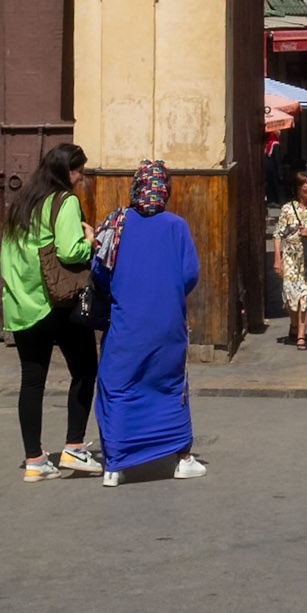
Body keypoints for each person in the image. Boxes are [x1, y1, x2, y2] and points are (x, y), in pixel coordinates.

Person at [91, 160, 204, 485]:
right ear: (164, 191)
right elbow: (189, 274)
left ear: (135, 187)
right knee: (169, 385)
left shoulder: (118, 223)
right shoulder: (177, 226)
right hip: (167, 324)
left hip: (126, 323)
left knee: (119, 385)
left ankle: (114, 465)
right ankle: (182, 459)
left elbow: (100, 271)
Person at [0, 143, 101, 481]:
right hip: (57, 302)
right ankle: (74, 447)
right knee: (85, 370)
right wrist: (91, 240)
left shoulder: (23, 203)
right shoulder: (65, 202)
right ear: (65, 172)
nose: (81, 177)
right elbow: (70, 251)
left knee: (32, 382)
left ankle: (35, 460)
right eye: (78, 171)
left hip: (22, 303)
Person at [272, 171, 307, 348]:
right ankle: (294, 323)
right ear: (298, 188)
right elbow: (278, 234)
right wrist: (277, 259)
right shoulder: (287, 209)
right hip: (290, 259)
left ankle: (301, 335)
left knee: (305, 297)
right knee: (289, 297)